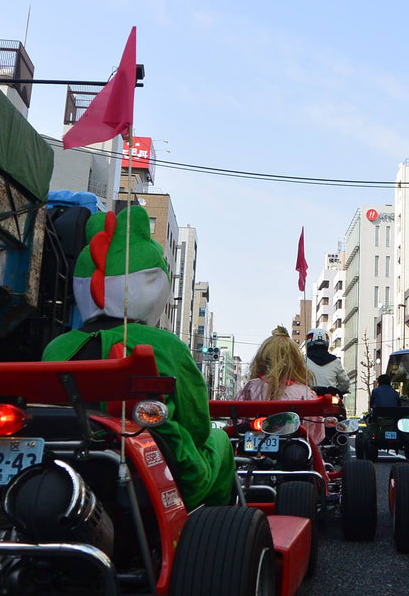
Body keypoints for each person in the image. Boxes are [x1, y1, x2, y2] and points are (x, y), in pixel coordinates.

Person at [43, 206, 234, 509]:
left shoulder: (56, 347)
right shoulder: (165, 345)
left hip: (63, 462)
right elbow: (197, 425)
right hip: (159, 470)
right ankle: (215, 528)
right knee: (219, 441)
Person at [235, 333, 325, 444]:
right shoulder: (304, 392)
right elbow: (315, 434)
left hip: (251, 444)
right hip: (291, 448)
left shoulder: (251, 387)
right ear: (294, 361)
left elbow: (236, 421)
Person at [304, 328, 350, 394]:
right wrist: (339, 390)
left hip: (308, 398)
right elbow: (345, 383)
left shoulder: (302, 360)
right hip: (329, 399)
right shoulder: (335, 361)